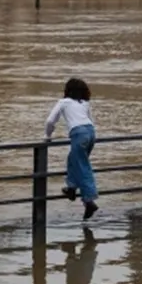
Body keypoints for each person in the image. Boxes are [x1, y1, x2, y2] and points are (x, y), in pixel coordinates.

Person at [45, 78, 98, 221]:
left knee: (82, 166)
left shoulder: (63, 103)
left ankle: (89, 201)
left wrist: (48, 136)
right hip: (91, 133)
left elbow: (50, 121)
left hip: (78, 134)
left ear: (67, 91)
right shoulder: (85, 103)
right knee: (73, 160)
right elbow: (91, 121)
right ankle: (71, 188)